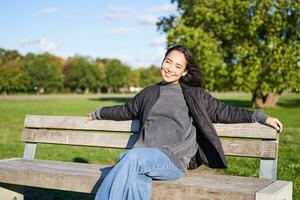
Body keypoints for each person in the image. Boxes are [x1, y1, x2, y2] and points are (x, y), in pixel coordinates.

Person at [88, 45, 283, 200]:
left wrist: (261, 117)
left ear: (184, 72)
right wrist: (98, 113)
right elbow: (126, 110)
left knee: (130, 158)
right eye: (168, 61)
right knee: (137, 180)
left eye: (177, 66)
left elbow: (224, 111)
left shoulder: (193, 94)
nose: (170, 68)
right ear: (163, 61)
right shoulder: (149, 92)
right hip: (143, 160)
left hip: (171, 161)